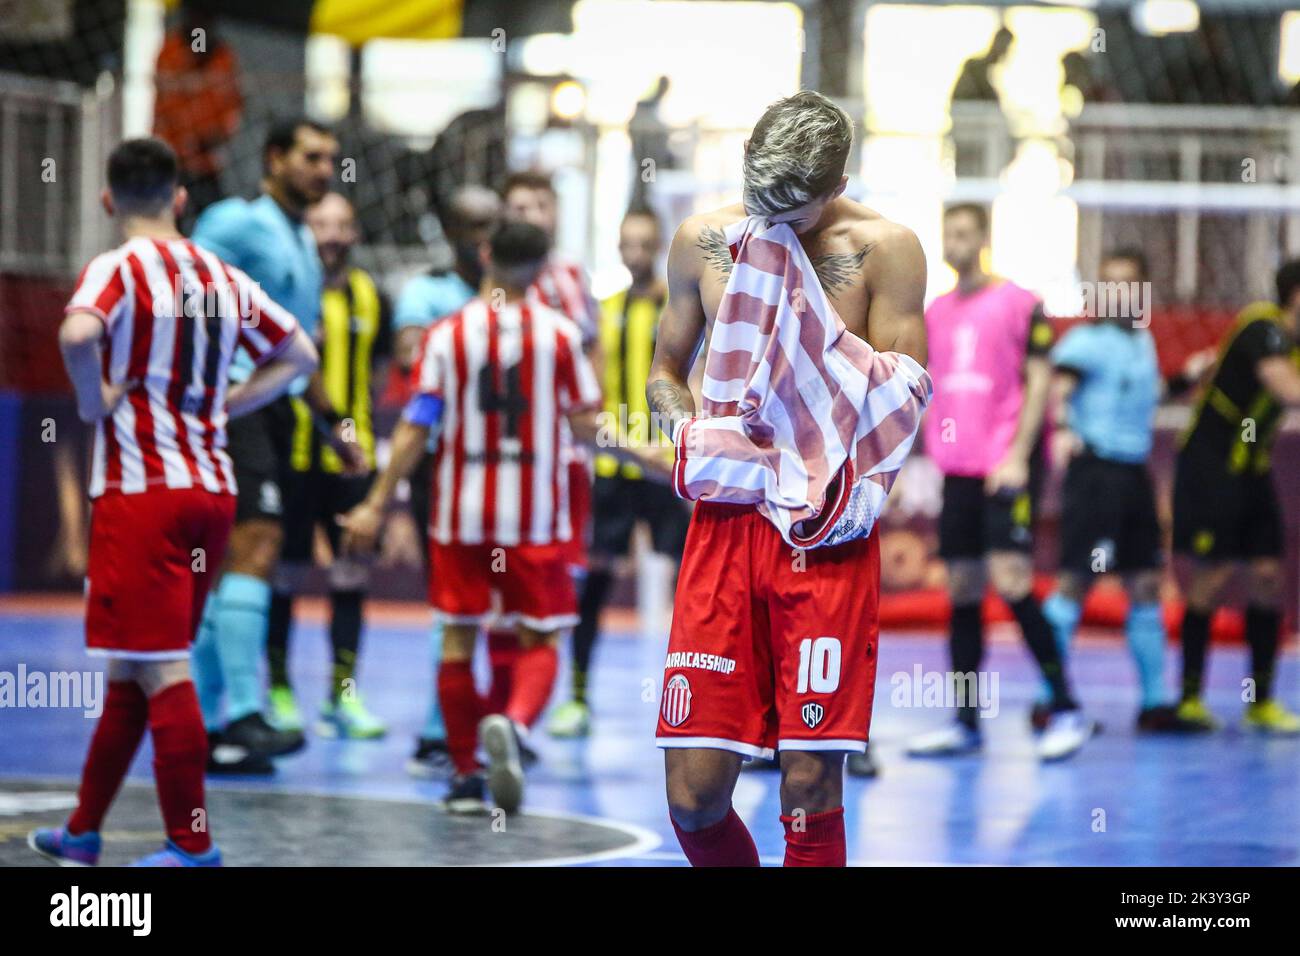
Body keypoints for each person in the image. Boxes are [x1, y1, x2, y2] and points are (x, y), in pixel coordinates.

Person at [646, 91, 930, 867]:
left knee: (807, 787)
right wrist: (690, 431)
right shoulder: (702, 239)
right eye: (757, 195)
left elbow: (900, 402)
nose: (767, 215)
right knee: (694, 798)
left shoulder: (887, 248)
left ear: (836, 187)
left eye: (790, 208)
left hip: (822, 540)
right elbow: (666, 371)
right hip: (725, 529)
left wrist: (857, 498)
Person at [29, 137, 317, 867]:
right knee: (136, 664)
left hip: (143, 493)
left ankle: (191, 844)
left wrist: (93, 400)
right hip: (213, 492)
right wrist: (231, 400)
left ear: (106, 201)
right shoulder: (218, 273)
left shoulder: (116, 267)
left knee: (161, 667)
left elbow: (76, 331)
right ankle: (84, 830)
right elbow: (300, 355)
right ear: (181, 200)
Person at [339, 221, 663, 814]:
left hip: (460, 512)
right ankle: (512, 728)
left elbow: (417, 423)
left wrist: (375, 501)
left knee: (460, 635)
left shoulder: (446, 335)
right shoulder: (561, 336)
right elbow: (585, 424)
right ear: (543, 270)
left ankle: (464, 776)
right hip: (534, 516)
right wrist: (645, 454)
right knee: (539, 633)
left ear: (485, 254)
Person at [189, 117, 360, 774]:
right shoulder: (236, 222)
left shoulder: (299, 243)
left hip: (276, 414)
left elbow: (301, 357)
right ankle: (239, 713)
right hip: (233, 409)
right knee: (253, 549)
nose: (325, 170)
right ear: (274, 158)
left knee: (242, 558)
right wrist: (198, 392)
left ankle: (215, 727)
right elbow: (182, 284)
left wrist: (339, 432)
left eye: (331, 159)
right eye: (313, 157)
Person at [906, 203, 1094, 761]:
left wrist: (1017, 455)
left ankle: (1066, 707)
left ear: (984, 238)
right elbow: (927, 388)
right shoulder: (936, 311)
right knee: (962, 587)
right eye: (949, 233)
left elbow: (1040, 383)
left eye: (965, 233)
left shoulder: (1020, 303)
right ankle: (966, 723)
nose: (955, 242)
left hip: (1004, 466)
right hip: (956, 467)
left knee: (1012, 581)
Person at [1042, 249, 1198, 732]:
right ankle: (1052, 701)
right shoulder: (1088, 341)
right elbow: (1060, 388)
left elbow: (1146, 393)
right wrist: (1064, 428)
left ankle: (1154, 704)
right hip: (1096, 475)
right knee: (1075, 580)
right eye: (1108, 283)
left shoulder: (1142, 343)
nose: (1117, 293)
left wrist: (1188, 377)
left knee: (1145, 583)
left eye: (1127, 283)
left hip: (1134, 476)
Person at [547, 207, 688, 739]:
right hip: (614, 465)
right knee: (596, 579)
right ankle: (577, 697)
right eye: (627, 244)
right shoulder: (602, 312)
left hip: (668, 467)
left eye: (645, 244)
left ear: (658, 247)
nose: (636, 254)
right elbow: (590, 384)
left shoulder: (680, 307)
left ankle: (691, 695)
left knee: (690, 580)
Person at [264, 192, 390, 739]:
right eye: (320, 223)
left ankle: (342, 696)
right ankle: (278, 690)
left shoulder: (370, 296)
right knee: (284, 574)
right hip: (291, 457)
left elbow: (380, 372)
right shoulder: (290, 293)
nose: (331, 234)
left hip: (350, 463)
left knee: (349, 575)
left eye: (342, 224)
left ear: (356, 232)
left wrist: (355, 430)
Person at [395, 185, 501, 778]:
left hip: (513, 468)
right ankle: (444, 731)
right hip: (448, 466)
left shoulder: (522, 290)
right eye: (471, 227)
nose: (482, 240)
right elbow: (410, 353)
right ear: (450, 232)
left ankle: (502, 722)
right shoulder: (425, 290)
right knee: (454, 599)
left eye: (492, 227)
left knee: (510, 603)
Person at [1172, 261, 1300, 734]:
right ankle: (1188, 700)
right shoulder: (1262, 326)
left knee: (1269, 576)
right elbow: (1287, 389)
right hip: (1211, 468)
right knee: (1213, 576)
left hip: (1252, 470)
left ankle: (1261, 702)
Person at [152, 8, 243, 229]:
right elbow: (167, 105)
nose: (200, 23)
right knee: (168, 221)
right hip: (172, 160)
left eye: (206, 16)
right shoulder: (171, 50)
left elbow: (232, 106)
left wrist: (217, 135)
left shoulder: (222, 56)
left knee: (215, 220)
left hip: (206, 163)